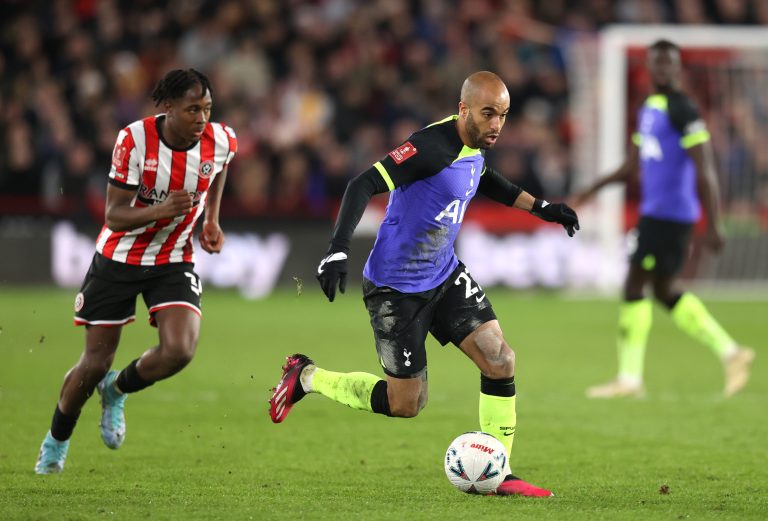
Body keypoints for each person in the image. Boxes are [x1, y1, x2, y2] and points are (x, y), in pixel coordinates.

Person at [268, 71, 579, 497]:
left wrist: (541, 208)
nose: (496, 125)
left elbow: (485, 179)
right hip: (395, 289)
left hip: (444, 272)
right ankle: (307, 377)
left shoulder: (474, 146)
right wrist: (338, 249)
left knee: (500, 358)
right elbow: (363, 184)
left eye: (503, 116)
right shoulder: (430, 147)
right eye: (488, 114)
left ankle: (499, 470)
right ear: (464, 108)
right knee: (407, 404)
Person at [34, 69, 237, 474]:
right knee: (93, 364)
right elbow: (114, 215)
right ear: (167, 108)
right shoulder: (134, 140)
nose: (201, 118)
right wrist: (163, 208)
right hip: (119, 258)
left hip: (173, 257)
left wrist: (211, 219)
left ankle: (118, 388)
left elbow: (220, 167)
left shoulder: (221, 139)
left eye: (207, 108)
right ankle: (56, 440)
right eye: (192, 109)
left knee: (180, 350)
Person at [571, 40, 754, 399]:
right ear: (649, 67)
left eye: (670, 63)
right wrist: (593, 188)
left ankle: (630, 378)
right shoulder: (649, 108)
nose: (664, 69)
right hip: (656, 212)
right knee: (663, 290)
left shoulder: (683, 109)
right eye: (658, 63)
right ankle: (731, 352)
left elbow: (706, 169)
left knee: (635, 285)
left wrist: (714, 222)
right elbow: (632, 165)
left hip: (670, 215)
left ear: (678, 68)